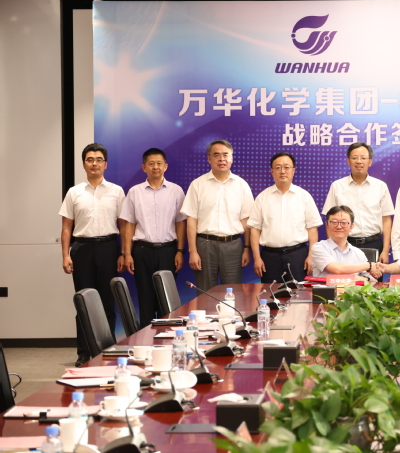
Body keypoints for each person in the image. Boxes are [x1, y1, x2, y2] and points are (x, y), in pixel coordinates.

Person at [59, 143, 125, 366]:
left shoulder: (116, 191)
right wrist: (65, 255)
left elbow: (124, 225)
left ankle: (107, 349)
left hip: (108, 248)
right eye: (90, 159)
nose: (94, 163)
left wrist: (123, 253)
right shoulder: (74, 192)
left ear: (105, 164)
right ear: (83, 164)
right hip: (81, 249)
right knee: (83, 301)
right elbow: (66, 227)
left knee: (107, 301)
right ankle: (84, 352)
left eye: (98, 159)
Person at [120, 148, 186, 325]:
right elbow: (129, 224)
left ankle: (167, 337)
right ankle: (146, 339)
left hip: (168, 251)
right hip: (142, 251)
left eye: (159, 163)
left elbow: (180, 223)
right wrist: (127, 254)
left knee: (166, 300)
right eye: (151, 164)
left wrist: (180, 251)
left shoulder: (176, 191)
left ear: (165, 166)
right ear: (144, 167)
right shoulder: (135, 192)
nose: (155, 167)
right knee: (145, 298)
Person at [181, 140, 254, 292]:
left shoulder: (241, 185)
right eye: (216, 155)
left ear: (232, 158)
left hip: (233, 246)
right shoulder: (198, 184)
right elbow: (191, 221)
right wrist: (193, 252)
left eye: (226, 155)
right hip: (205, 245)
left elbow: (246, 221)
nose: (222, 159)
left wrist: (247, 248)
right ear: (209, 159)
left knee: (233, 292)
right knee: (205, 293)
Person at [248, 152, 322, 283]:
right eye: (278, 167)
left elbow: (312, 229)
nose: (282, 171)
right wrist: (257, 258)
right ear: (272, 171)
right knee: (270, 293)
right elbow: (255, 229)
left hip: (298, 256)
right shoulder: (262, 197)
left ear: (293, 171)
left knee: (300, 294)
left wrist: (311, 256)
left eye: (287, 167)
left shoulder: (304, 196)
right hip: (270, 257)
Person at [322, 142, 394, 263]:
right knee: (346, 276)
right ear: (348, 161)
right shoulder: (337, 186)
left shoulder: (380, 186)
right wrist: (332, 250)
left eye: (363, 158)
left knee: (373, 276)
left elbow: (386, 220)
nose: (359, 161)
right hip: (345, 244)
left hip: (374, 243)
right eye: (354, 158)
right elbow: (330, 221)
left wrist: (385, 251)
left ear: (370, 162)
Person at [311, 206, 383, 281]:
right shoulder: (319, 247)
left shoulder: (358, 253)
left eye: (344, 223)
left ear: (351, 226)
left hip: (353, 289)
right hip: (326, 289)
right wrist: (369, 265)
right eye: (334, 222)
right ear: (327, 225)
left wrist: (361, 278)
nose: (339, 226)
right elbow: (337, 269)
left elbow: (373, 281)